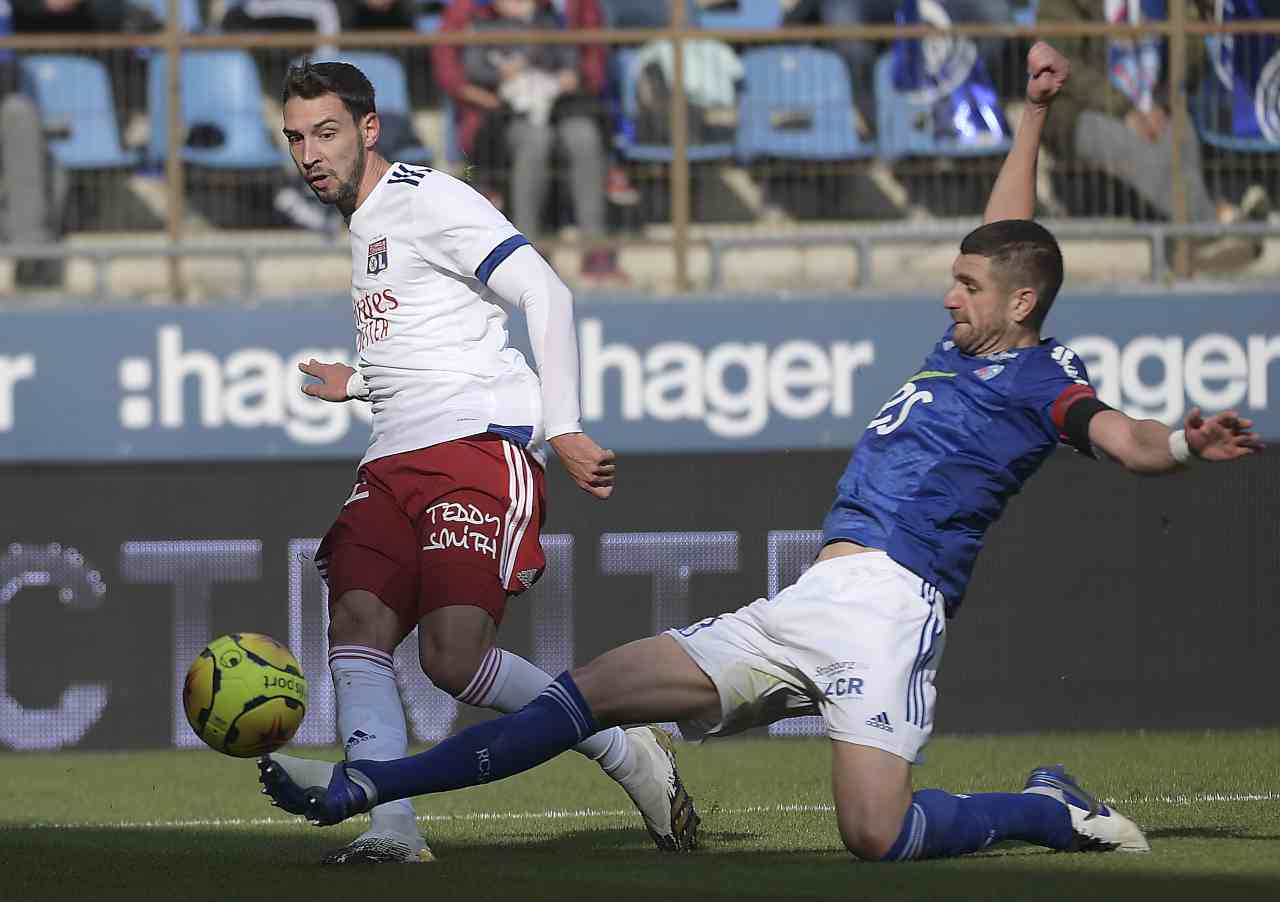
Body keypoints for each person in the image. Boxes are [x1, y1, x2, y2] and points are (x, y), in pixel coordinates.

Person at [258, 43, 1263, 861]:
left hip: (887, 613)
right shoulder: (955, 342)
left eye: (965, 283)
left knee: (874, 834)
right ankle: (379, 790)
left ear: (1018, 306)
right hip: (803, 601)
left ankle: (1046, 810)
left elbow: (1125, 441)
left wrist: (1178, 437)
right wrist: (1032, 114)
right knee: (586, 692)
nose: (945, 293)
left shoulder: (1045, 382)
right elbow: (1009, 233)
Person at [269, 61, 699, 864]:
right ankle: (393, 832)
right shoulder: (363, 221)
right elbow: (432, 341)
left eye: (325, 133)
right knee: (355, 625)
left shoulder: (428, 196)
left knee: (452, 659)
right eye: (295, 137)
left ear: (368, 129)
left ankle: (626, 748)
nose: (308, 153)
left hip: (473, 449)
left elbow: (547, 293)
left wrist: (563, 425)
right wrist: (358, 382)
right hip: (391, 456)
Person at [1035, 0, 1269, 271]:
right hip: (1084, 111)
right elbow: (1060, 64)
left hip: (1154, 105)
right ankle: (1220, 224)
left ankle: (1191, 246)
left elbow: (1190, 62)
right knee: (1132, 146)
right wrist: (1124, 108)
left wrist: (1183, 17)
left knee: (1179, 133)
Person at [433, 0, 626, 284]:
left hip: (561, 107)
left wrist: (568, 77)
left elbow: (576, 62)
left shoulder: (549, 21)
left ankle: (594, 248)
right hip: (505, 115)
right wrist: (502, 76)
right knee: (535, 141)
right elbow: (466, 72)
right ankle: (529, 250)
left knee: (583, 136)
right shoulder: (481, 21)